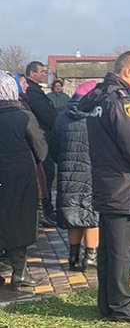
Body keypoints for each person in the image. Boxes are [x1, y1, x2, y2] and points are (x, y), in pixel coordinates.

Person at [79, 51, 130, 323]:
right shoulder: (123, 103)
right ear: (127, 72)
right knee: (122, 253)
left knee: (108, 252)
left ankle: (108, 303)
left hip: (107, 185)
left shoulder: (99, 99)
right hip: (124, 188)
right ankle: (123, 306)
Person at [0, 71, 47, 290]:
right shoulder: (23, 115)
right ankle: (19, 272)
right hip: (20, 176)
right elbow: (41, 149)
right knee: (19, 220)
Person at [52, 80, 100, 272]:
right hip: (92, 171)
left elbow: (54, 146)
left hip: (68, 171)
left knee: (72, 214)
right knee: (91, 215)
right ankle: (91, 256)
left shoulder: (62, 116)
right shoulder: (96, 116)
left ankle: (73, 257)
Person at [24, 61, 58, 226]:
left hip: (44, 137)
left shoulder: (36, 91)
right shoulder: (33, 93)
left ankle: (47, 208)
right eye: (42, 71)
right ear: (32, 73)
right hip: (41, 138)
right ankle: (45, 209)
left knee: (47, 173)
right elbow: (46, 115)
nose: (45, 74)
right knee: (46, 172)